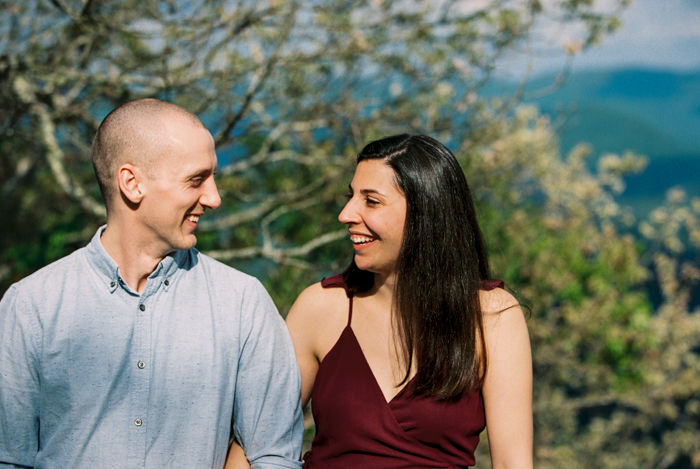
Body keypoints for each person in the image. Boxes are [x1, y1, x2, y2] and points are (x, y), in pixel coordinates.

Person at [0, 99, 304, 469]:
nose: (214, 198)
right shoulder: (31, 306)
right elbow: (8, 459)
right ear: (132, 183)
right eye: (196, 179)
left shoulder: (242, 301)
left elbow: (275, 456)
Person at [285, 134, 533, 468]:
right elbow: (258, 441)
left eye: (371, 201)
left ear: (425, 214)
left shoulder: (493, 316)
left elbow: (512, 464)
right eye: (351, 196)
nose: (346, 214)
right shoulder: (320, 307)